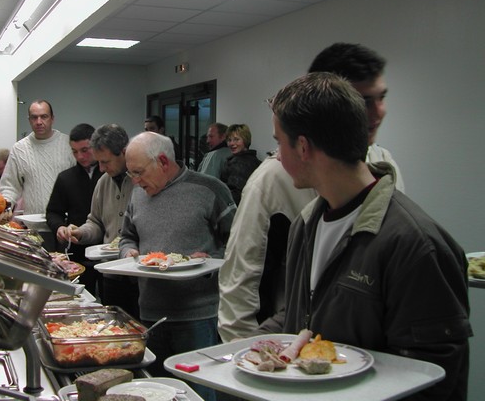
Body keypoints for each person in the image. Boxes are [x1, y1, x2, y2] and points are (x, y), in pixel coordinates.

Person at [256, 72, 472, 400]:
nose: (276, 156)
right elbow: (303, 316)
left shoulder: (415, 245)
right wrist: (243, 349)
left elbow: (434, 378)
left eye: (277, 142)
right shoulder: (306, 224)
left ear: (302, 147)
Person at [120, 131, 236, 401]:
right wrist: (129, 251)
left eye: (138, 172)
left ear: (162, 161)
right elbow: (127, 236)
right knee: (157, 391)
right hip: (150, 313)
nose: (135, 182)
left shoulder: (209, 189)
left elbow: (239, 244)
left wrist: (211, 257)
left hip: (197, 315)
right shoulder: (138, 195)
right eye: (131, 174)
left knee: (199, 392)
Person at [218, 153, 316, 342]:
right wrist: (239, 348)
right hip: (288, 343)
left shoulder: (381, 166)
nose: (278, 155)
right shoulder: (270, 180)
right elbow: (242, 274)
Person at [61, 124, 139, 318]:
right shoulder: (103, 182)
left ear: (123, 152)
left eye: (105, 162)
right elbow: (95, 222)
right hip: (111, 274)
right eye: (99, 163)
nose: (102, 168)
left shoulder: (142, 182)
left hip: (140, 277)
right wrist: (81, 232)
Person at [308, 42, 405, 191]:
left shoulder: (383, 162)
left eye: (381, 97)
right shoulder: (274, 182)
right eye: (364, 101)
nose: (379, 112)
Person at [46, 123, 102, 295]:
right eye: (75, 151)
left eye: (85, 150)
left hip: (107, 247)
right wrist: (59, 227)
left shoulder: (109, 174)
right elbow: (53, 212)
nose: (80, 156)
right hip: (77, 251)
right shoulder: (66, 178)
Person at [0, 100, 75, 215]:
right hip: (33, 225)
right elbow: (10, 186)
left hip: (66, 226)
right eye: (34, 117)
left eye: (44, 117)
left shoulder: (69, 145)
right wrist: (5, 207)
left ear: (52, 119)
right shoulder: (19, 149)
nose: (39, 122)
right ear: (29, 120)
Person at [219, 124, 261, 204]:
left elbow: (235, 196)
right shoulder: (254, 160)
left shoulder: (239, 163)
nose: (231, 143)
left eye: (236, 139)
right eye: (229, 140)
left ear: (245, 140)